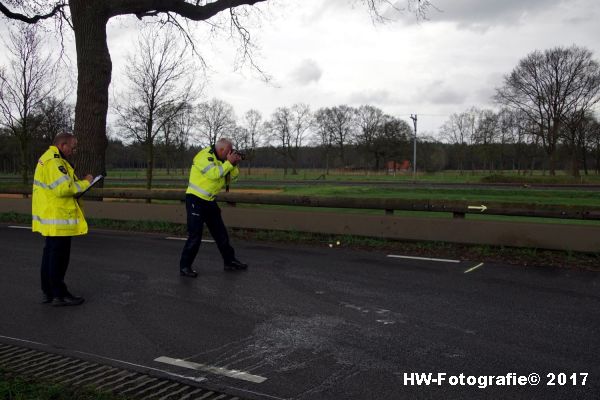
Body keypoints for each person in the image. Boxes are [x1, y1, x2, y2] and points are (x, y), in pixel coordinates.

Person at [32, 132, 93, 306]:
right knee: (58, 257)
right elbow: (64, 188)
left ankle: (49, 291)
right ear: (63, 145)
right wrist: (87, 182)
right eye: (72, 147)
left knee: (50, 255)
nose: (74, 151)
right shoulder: (54, 161)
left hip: (52, 216)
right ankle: (59, 294)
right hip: (58, 217)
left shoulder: (49, 158)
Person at [179, 138, 248, 277]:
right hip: (195, 200)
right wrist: (228, 163)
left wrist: (233, 164)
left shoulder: (223, 160)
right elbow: (214, 174)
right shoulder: (204, 156)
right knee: (195, 236)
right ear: (222, 150)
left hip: (209, 201)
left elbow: (233, 177)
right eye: (229, 151)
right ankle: (185, 267)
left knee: (221, 234)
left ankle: (229, 262)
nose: (230, 154)